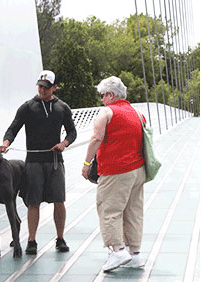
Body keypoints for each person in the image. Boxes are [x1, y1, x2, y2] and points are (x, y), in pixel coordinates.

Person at [0, 70, 77, 255]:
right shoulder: (28, 107)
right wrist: (5, 143)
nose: (42, 90)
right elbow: (13, 127)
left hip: (55, 161)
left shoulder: (62, 107)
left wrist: (63, 144)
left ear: (54, 87)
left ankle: (60, 238)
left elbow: (72, 132)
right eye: (40, 86)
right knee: (33, 202)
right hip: (33, 162)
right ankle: (32, 240)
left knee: (59, 200)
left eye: (46, 87)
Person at [82, 76, 146, 272]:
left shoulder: (107, 112)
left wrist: (86, 163)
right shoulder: (137, 113)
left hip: (115, 171)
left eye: (102, 95)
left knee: (109, 210)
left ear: (110, 95)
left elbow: (96, 138)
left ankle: (117, 251)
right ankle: (135, 254)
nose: (101, 99)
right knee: (133, 211)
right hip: (138, 171)